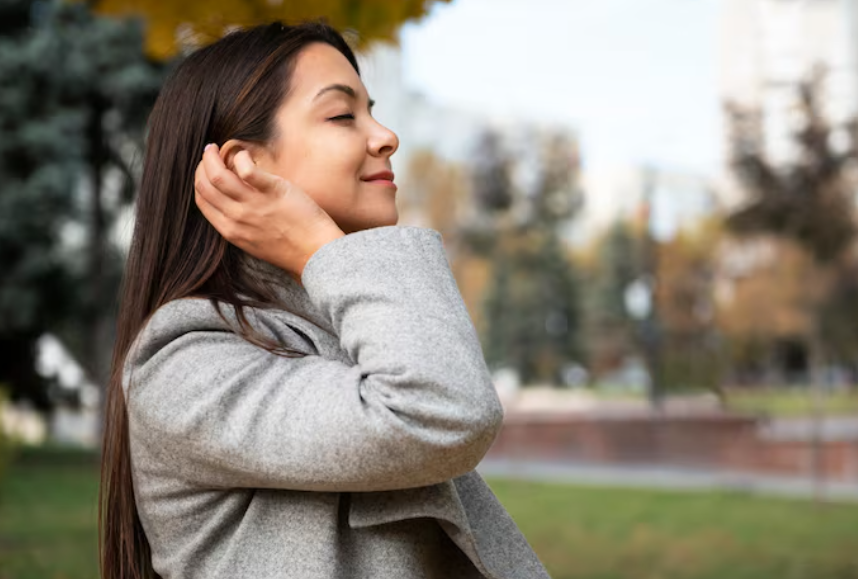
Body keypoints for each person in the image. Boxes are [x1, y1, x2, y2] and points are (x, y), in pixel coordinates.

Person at [98, 19, 552, 579]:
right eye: (342, 115)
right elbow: (442, 411)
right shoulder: (184, 363)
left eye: (371, 111)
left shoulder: (352, 326)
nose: (386, 136)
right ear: (243, 168)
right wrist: (318, 245)